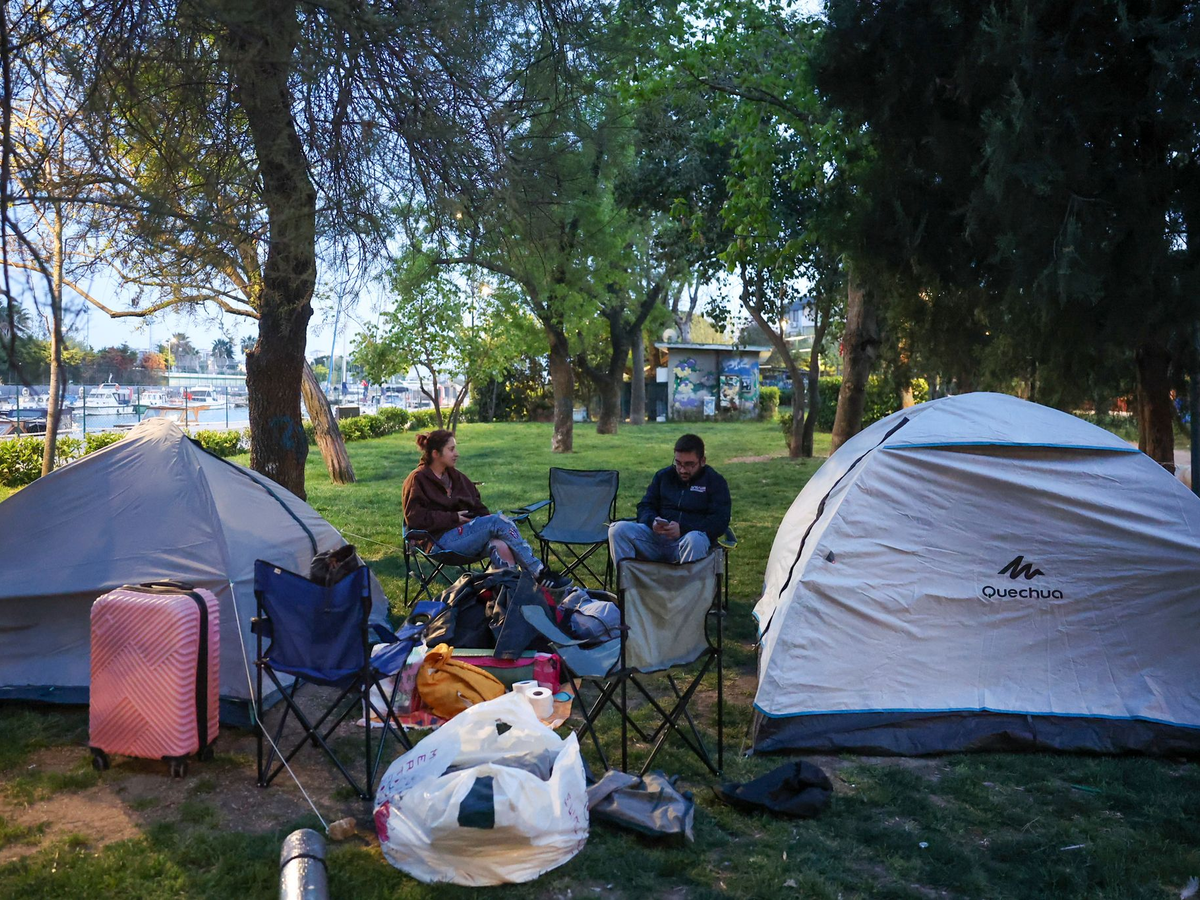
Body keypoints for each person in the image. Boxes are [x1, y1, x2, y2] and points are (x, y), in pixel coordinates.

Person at [402, 429, 568, 587]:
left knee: (500, 544)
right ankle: (538, 572)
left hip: (465, 537)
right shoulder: (418, 479)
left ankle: (508, 595)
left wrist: (488, 523)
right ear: (435, 453)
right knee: (497, 521)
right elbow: (415, 519)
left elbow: (477, 506)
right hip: (438, 542)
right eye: (451, 449)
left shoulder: (456, 477)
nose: (456, 453)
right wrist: (453, 518)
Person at [608, 433, 731, 567]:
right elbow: (645, 506)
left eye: (689, 464)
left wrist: (683, 529)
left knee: (695, 539)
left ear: (702, 461)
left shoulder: (715, 481)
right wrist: (652, 521)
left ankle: (686, 580)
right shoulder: (664, 476)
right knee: (617, 529)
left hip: (688, 541)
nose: (682, 470)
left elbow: (720, 520)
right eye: (678, 463)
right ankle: (628, 579)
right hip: (656, 539)